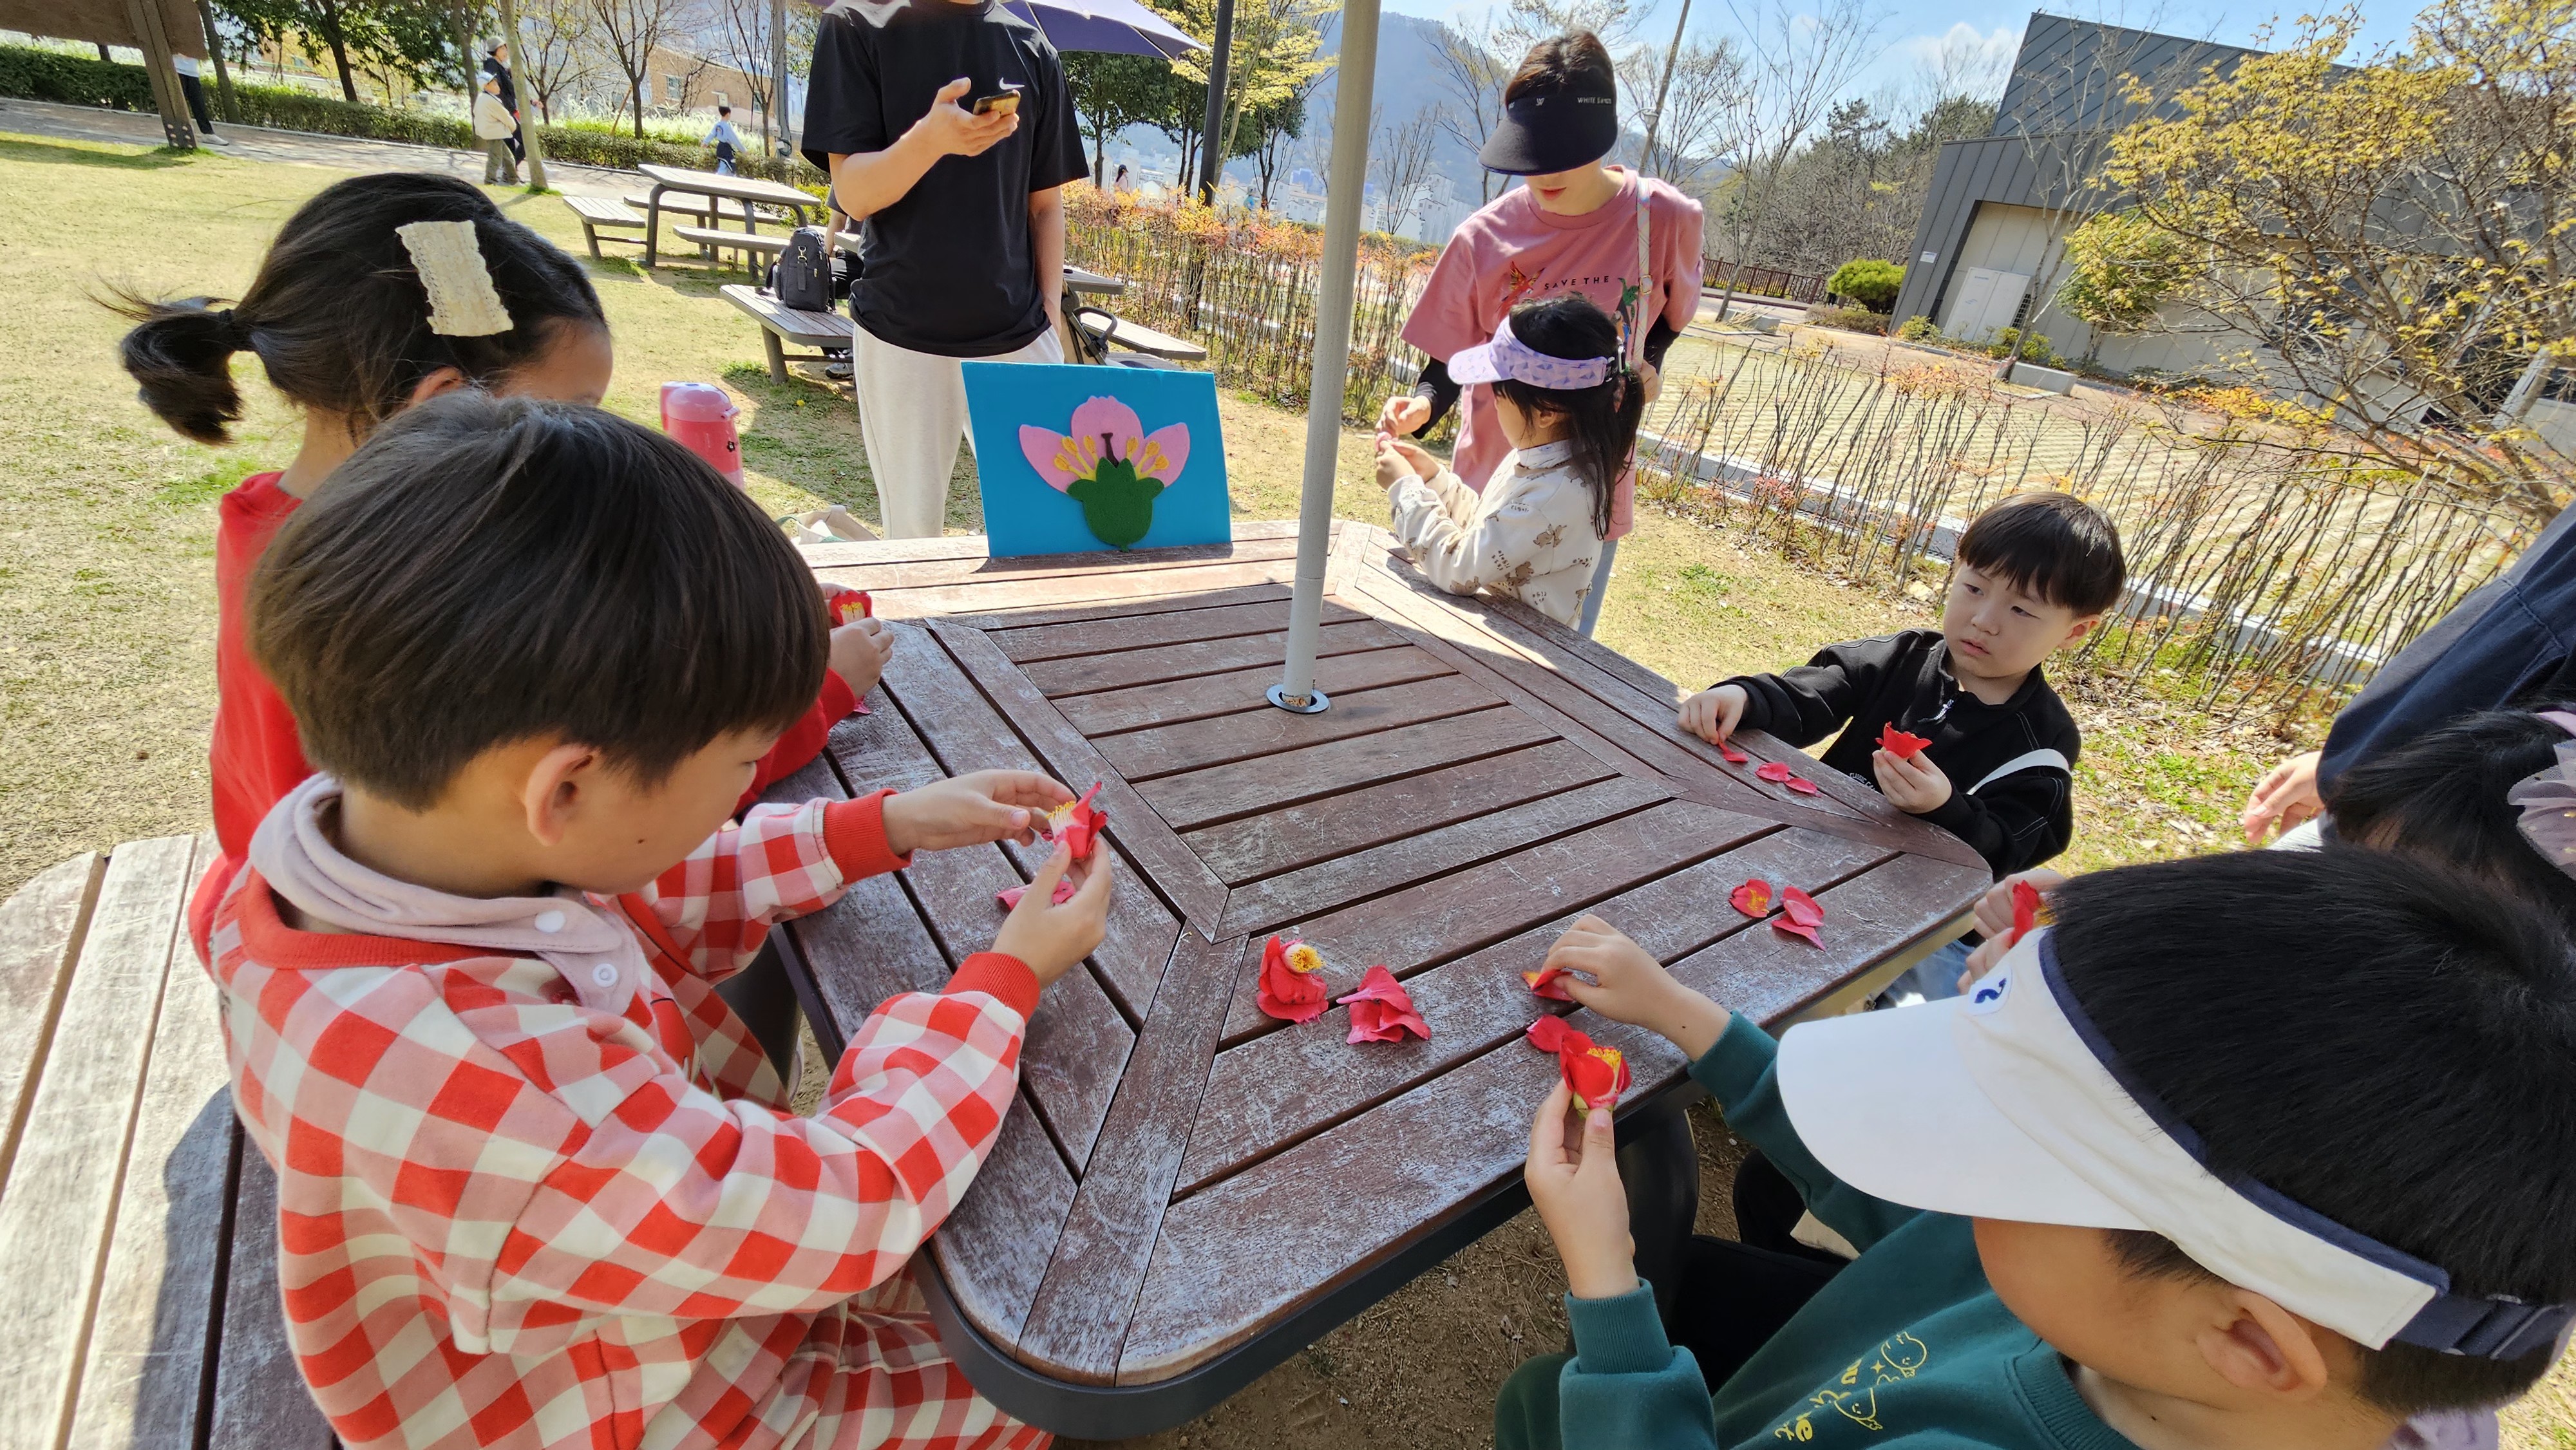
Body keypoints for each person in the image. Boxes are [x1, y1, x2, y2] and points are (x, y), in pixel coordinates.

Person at [212, 393, 1106, 1450]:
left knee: (977, 1271)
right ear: (565, 789)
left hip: (645, 1290)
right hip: (643, 1406)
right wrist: (1000, 985)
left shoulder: (386, 851)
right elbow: (848, 1202)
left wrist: (886, 824)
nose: (746, 784)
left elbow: (643, 887)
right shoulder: (491, 1084)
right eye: (742, 763)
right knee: (1039, 1384)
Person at [1501, 847, 2576, 1449]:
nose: (1961, 1171)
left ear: (2252, 1341)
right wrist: (1683, 1013)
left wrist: (1610, 1284)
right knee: (1540, 1396)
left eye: (2001, 1155)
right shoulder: (2130, 1295)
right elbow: (1916, 1207)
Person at [110, 173, 889, 972]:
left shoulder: (319, 542)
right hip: (453, 975)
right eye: (573, 413)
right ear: (447, 406)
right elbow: (627, 793)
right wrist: (816, 691)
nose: (590, 443)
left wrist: (744, 622)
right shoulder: (407, 595)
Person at [1378, 31, 1703, 630]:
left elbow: (1668, 318)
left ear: (1602, 135)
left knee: (1550, 651)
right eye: (1531, 154)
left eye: (1562, 153)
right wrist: (1423, 406)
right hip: (1493, 469)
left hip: (1591, 473)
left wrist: (1648, 363)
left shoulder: (1664, 220)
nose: (1544, 172)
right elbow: (1449, 360)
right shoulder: (1483, 237)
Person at [1678, 491, 2123, 883]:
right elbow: (1809, 697)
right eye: (1974, 588)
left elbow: (2013, 847)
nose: (1984, 620)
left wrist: (1946, 809)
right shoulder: (1901, 657)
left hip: (1912, 905)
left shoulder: (2044, 741)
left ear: (2074, 631)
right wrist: (1745, 698)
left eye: (2021, 610)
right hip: (1811, 848)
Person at [802, 0, 1088, 540]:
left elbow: (1046, 205)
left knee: (1052, 527)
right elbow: (855, 194)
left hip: (1019, 333)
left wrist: (1050, 312)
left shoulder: (1032, 48)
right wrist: (929, 142)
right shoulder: (856, 24)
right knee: (913, 538)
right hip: (901, 332)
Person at [2241, 496, 2576, 845]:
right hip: (2405, 824)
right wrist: (2359, 765)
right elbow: (2518, 635)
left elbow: (2531, 636)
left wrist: (2359, 769)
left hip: (2428, 847)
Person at [1375, 294, 1634, 627]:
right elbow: (1491, 530)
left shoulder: (1557, 493)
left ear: (1546, 412)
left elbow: (1459, 569)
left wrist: (1406, 490)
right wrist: (1434, 480)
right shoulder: (1543, 458)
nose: (1494, 404)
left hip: (1516, 652)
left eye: (1499, 396)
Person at [481, 41, 524, 165]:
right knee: (526, 141)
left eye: (506, 49)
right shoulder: (492, 64)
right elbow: (497, 91)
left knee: (510, 146)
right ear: (496, 50)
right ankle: (507, 171)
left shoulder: (501, 68)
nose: (506, 52)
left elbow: (511, 91)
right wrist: (513, 110)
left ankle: (508, 172)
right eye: (503, 49)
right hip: (502, 112)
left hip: (505, 111)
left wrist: (531, 101)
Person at [473, 76, 518, 185]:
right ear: (486, 86)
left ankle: (513, 181)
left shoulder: (482, 98)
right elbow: (505, 117)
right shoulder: (491, 100)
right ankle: (490, 181)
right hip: (494, 133)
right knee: (495, 158)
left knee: (508, 158)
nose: (498, 87)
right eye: (494, 84)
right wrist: (513, 127)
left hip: (491, 133)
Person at [173, 53, 217, 137]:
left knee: (198, 103)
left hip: (192, 72)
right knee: (179, 103)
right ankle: (179, 131)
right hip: (177, 68)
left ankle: (208, 133)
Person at [706, 102, 743, 173]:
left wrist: (706, 142)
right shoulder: (727, 127)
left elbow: (711, 134)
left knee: (724, 165)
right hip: (726, 149)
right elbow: (734, 139)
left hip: (720, 148)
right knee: (730, 166)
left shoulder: (718, 125)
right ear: (728, 114)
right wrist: (743, 150)